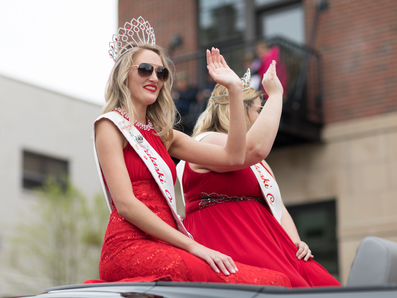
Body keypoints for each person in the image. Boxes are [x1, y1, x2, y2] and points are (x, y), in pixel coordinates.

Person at [90, 16, 291, 286]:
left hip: (168, 245)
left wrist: (233, 89)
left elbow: (233, 157)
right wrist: (193, 246)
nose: (154, 78)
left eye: (161, 73)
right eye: (145, 69)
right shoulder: (110, 126)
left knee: (276, 281)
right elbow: (126, 205)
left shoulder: (165, 135)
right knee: (240, 282)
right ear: (124, 72)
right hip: (128, 248)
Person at [179, 64, 341, 288]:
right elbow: (253, 149)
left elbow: (278, 205)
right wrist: (275, 94)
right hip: (228, 240)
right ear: (238, 111)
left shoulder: (260, 164)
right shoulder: (207, 142)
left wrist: (294, 240)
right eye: (258, 110)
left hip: (268, 242)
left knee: (323, 284)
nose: (261, 116)